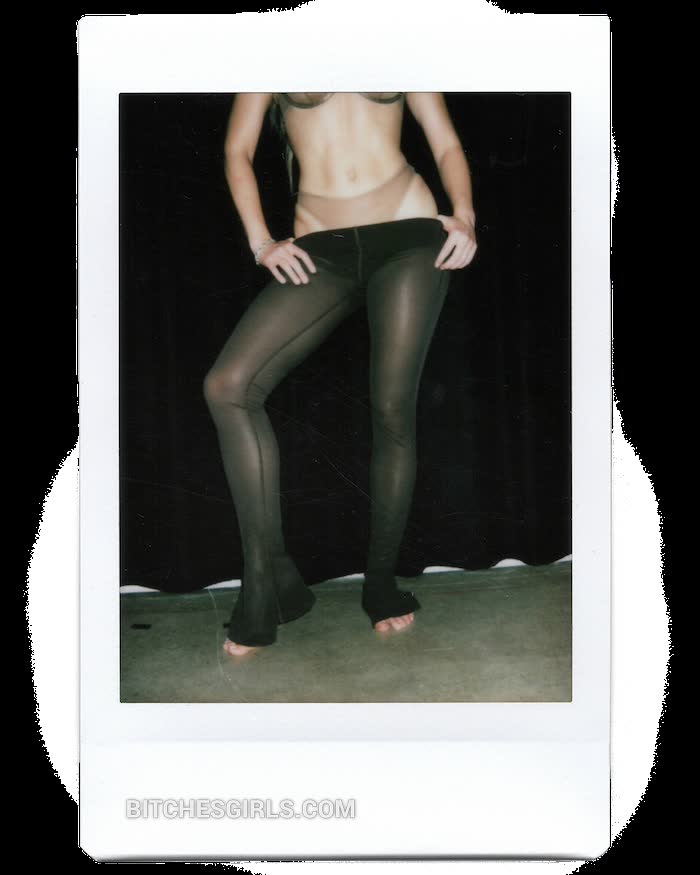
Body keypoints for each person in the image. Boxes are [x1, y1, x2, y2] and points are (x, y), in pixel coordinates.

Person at [203, 92, 477, 656]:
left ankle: (381, 584)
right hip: (320, 244)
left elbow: (446, 140)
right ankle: (270, 580)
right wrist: (261, 241)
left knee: (392, 408)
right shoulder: (270, 49)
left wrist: (466, 216)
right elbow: (236, 150)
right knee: (228, 386)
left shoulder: (403, 44)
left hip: (409, 232)